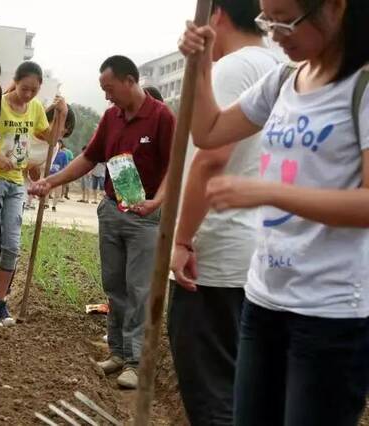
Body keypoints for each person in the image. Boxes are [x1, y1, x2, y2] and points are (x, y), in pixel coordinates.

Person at [178, 0, 369, 424]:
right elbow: (209, 132)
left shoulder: (362, 85)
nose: (276, 33)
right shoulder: (283, 78)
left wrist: (271, 192)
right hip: (264, 299)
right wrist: (202, 66)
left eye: (286, 20)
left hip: (330, 313)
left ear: (336, 8)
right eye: (269, 21)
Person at [168, 1, 284, 424]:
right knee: (247, 390)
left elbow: (210, 155)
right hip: (259, 253)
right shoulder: (280, 64)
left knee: (213, 392)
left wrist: (183, 239)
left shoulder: (237, 67)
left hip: (217, 252)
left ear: (215, 15)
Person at [29, 55, 175, 389]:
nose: (107, 97)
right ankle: (119, 353)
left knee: (139, 289)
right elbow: (89, 158)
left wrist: (157, 201)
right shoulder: (111, 117)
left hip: (145, 217)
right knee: (114, 285)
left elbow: (174, 165)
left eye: (110, 89)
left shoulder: (162, 117)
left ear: (129, 80)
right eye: (103, 90)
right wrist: (51, 181)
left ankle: (138, 363)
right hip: (112, 210)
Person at [0, 61, 67, 325]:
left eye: (34, 90)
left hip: (17, 183)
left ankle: (1, 302)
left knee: (12, 245)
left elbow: (50, 138)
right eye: (24, 88)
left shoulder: (36, 108)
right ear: (15, 81)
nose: (28, 95)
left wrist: (61, 114)